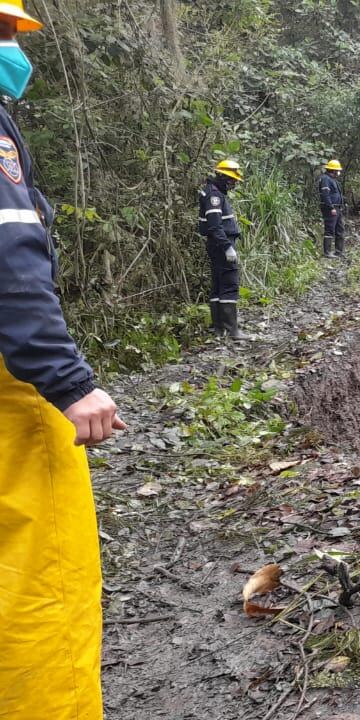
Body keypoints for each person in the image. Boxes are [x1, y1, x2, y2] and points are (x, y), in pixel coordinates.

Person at [0, 3, 125, 717]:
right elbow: (11, 255)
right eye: (5, 32)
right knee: (42, 582)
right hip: (12, 395)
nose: (14, 47)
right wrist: (69, 381)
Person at [199, 159, 248, 340]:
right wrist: (227, 247)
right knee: (229, 284)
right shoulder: (214, 196)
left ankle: (219, 328)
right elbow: (214, 226)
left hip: (217, 244)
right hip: (221, 244)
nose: (233, 184)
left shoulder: (213, 192)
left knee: (218, 286)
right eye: (231, 180)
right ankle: (232, 330)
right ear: (222, 177)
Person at [318, 159, 345, 258]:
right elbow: (325, 195)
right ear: (333, 170)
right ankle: (327, 252)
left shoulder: (333, 180)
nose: (338, 172)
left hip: (337, 208)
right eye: (337, 170)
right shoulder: (325, 179)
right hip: (330, 209)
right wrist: (331, 207)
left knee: (340, 230)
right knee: (329, 230)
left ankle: (339, 251)